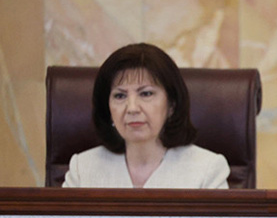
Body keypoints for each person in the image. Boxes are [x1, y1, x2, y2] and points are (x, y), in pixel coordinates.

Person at [62, 43, 230, 188]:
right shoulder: (82, 169)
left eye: (146, 94)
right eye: (120, 96)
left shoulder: (207, 170)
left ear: (171, 105)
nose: (132, 108)